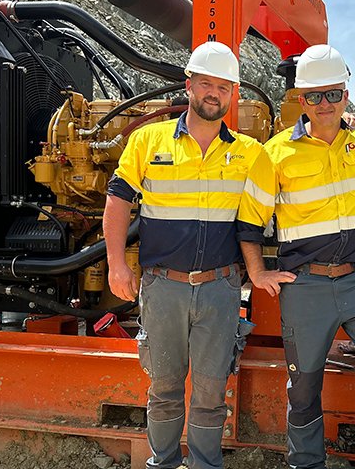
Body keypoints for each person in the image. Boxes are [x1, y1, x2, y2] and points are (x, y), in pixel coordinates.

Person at [239, 44, 355, 469]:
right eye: (314, 96)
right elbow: (249, 220)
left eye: (333, 94)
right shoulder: (274, 154)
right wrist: (257, 272)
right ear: (300, 99)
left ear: (346, 94)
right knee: (303, 388)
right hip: (305, 286)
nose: (324, 105)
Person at [103, 41, 275, 469]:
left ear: (233, 94)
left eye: (223, 86)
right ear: (189, 85)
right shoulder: (148, 139)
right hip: (163, 288)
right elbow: (118, 201)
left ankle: (204, 464)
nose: (214, 93)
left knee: (211, 391)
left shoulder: (251, 153)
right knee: (164, 387)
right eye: (206, 84)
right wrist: (116, 264)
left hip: (220, 288)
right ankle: (162, 462)